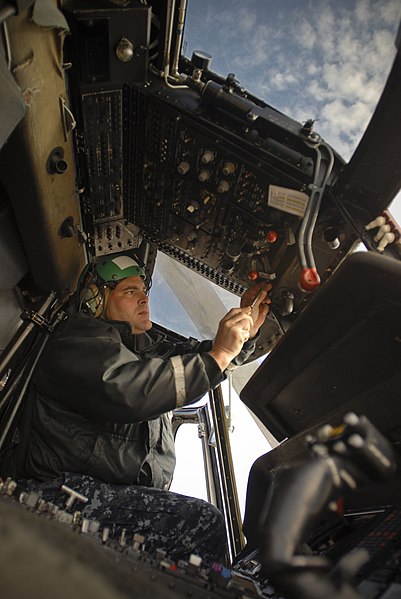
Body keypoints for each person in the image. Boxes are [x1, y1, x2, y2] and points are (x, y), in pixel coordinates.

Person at [16, 253, 271, 566]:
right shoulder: (76, 341)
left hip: (107, 493)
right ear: (96, 299)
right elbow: (128, 391)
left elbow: (197, 359)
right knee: (199, 522)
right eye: (129, 291)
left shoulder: (145, 351)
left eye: (144, 291)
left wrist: (245, 336)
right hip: (59, 492)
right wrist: (218, 356)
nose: (144, 299)